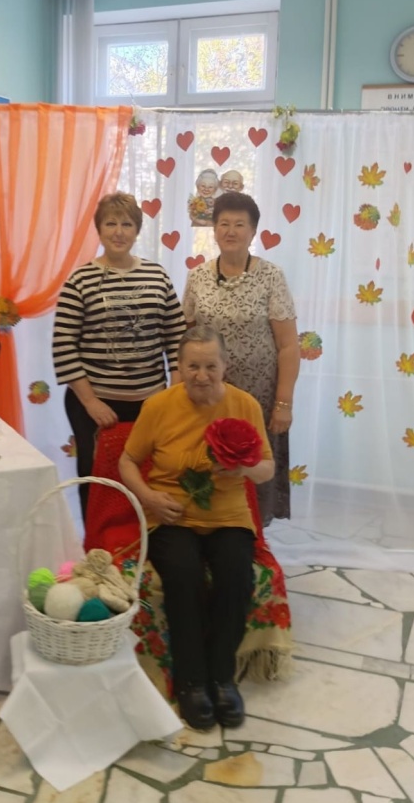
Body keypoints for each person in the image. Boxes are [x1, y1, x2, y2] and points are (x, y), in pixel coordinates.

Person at [118, 325, 274, 730]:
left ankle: (221, 679)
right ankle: (191, 682)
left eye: (210, 366)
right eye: (192, 366)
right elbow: (127, 461)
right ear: (180, 366)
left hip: (228, 516)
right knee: (183, 575)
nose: (201, 376)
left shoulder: (244, 405)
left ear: (225, 365)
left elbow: (267, 468)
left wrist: (243, 468)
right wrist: (149, 497)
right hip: (172, 515)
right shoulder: (158, 406)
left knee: (235, 575)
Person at [52, 192, 186, 522]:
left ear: (137, 230)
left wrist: (173, 393)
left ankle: (144, 540)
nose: (118, 231)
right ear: (99, 229)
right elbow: (64, 345)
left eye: (126, 224)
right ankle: (97, 542)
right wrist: (91, 402)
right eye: (110, 223)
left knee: (150, 473)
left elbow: (176, 337)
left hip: (150, 404)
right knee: (95, 476)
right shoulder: (80, 280)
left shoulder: (156, 276)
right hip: (94, 405)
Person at [182, 192, 299, 526]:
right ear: (214, 229)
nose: (230, 231)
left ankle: (253, 540)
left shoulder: (271, 276)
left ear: (253, 231)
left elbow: (288, 346)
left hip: (258, 400)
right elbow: (185, 338)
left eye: (239, 224)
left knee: (253, 468)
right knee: (207, 468)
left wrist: (283, 403)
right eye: (224, 223)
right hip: (207, 395)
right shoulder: (197, 276)